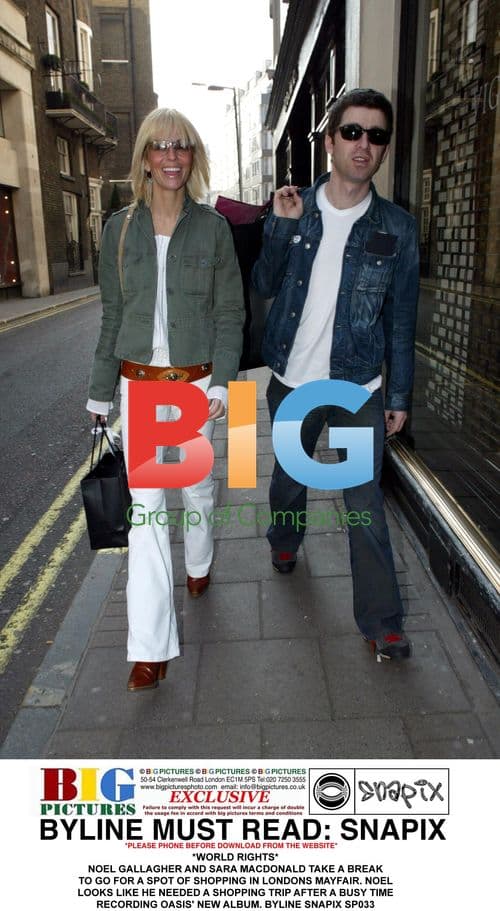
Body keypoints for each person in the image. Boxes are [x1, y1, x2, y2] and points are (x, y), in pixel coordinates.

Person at [252, 88, 419, 661]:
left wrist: (398, 394)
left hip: (357, 388)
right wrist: (279, 228)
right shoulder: (296, 207)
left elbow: (401, 318)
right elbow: (264, 284)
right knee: (289, 478)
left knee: (364, 506)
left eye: (376, 135)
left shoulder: (398, 227)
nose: (363, 144)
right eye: (352, 132)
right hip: (293, 381)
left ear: (384, 148)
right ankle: (283, 537)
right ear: (330, 141)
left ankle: (382, 622)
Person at [87, 108, 244, 691]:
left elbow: (230, 312)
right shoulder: (118, 230)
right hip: (141, 385)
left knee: (197, 485)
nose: (171, 156)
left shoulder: (213, 229)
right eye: (161, 146)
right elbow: (111, 316)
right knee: (147, 514)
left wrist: (224, 381)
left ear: (192, 157)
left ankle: (199, 562)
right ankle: (150, 648)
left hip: (198, 382)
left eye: (181, 146)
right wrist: (100, 391)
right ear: (145, 159)